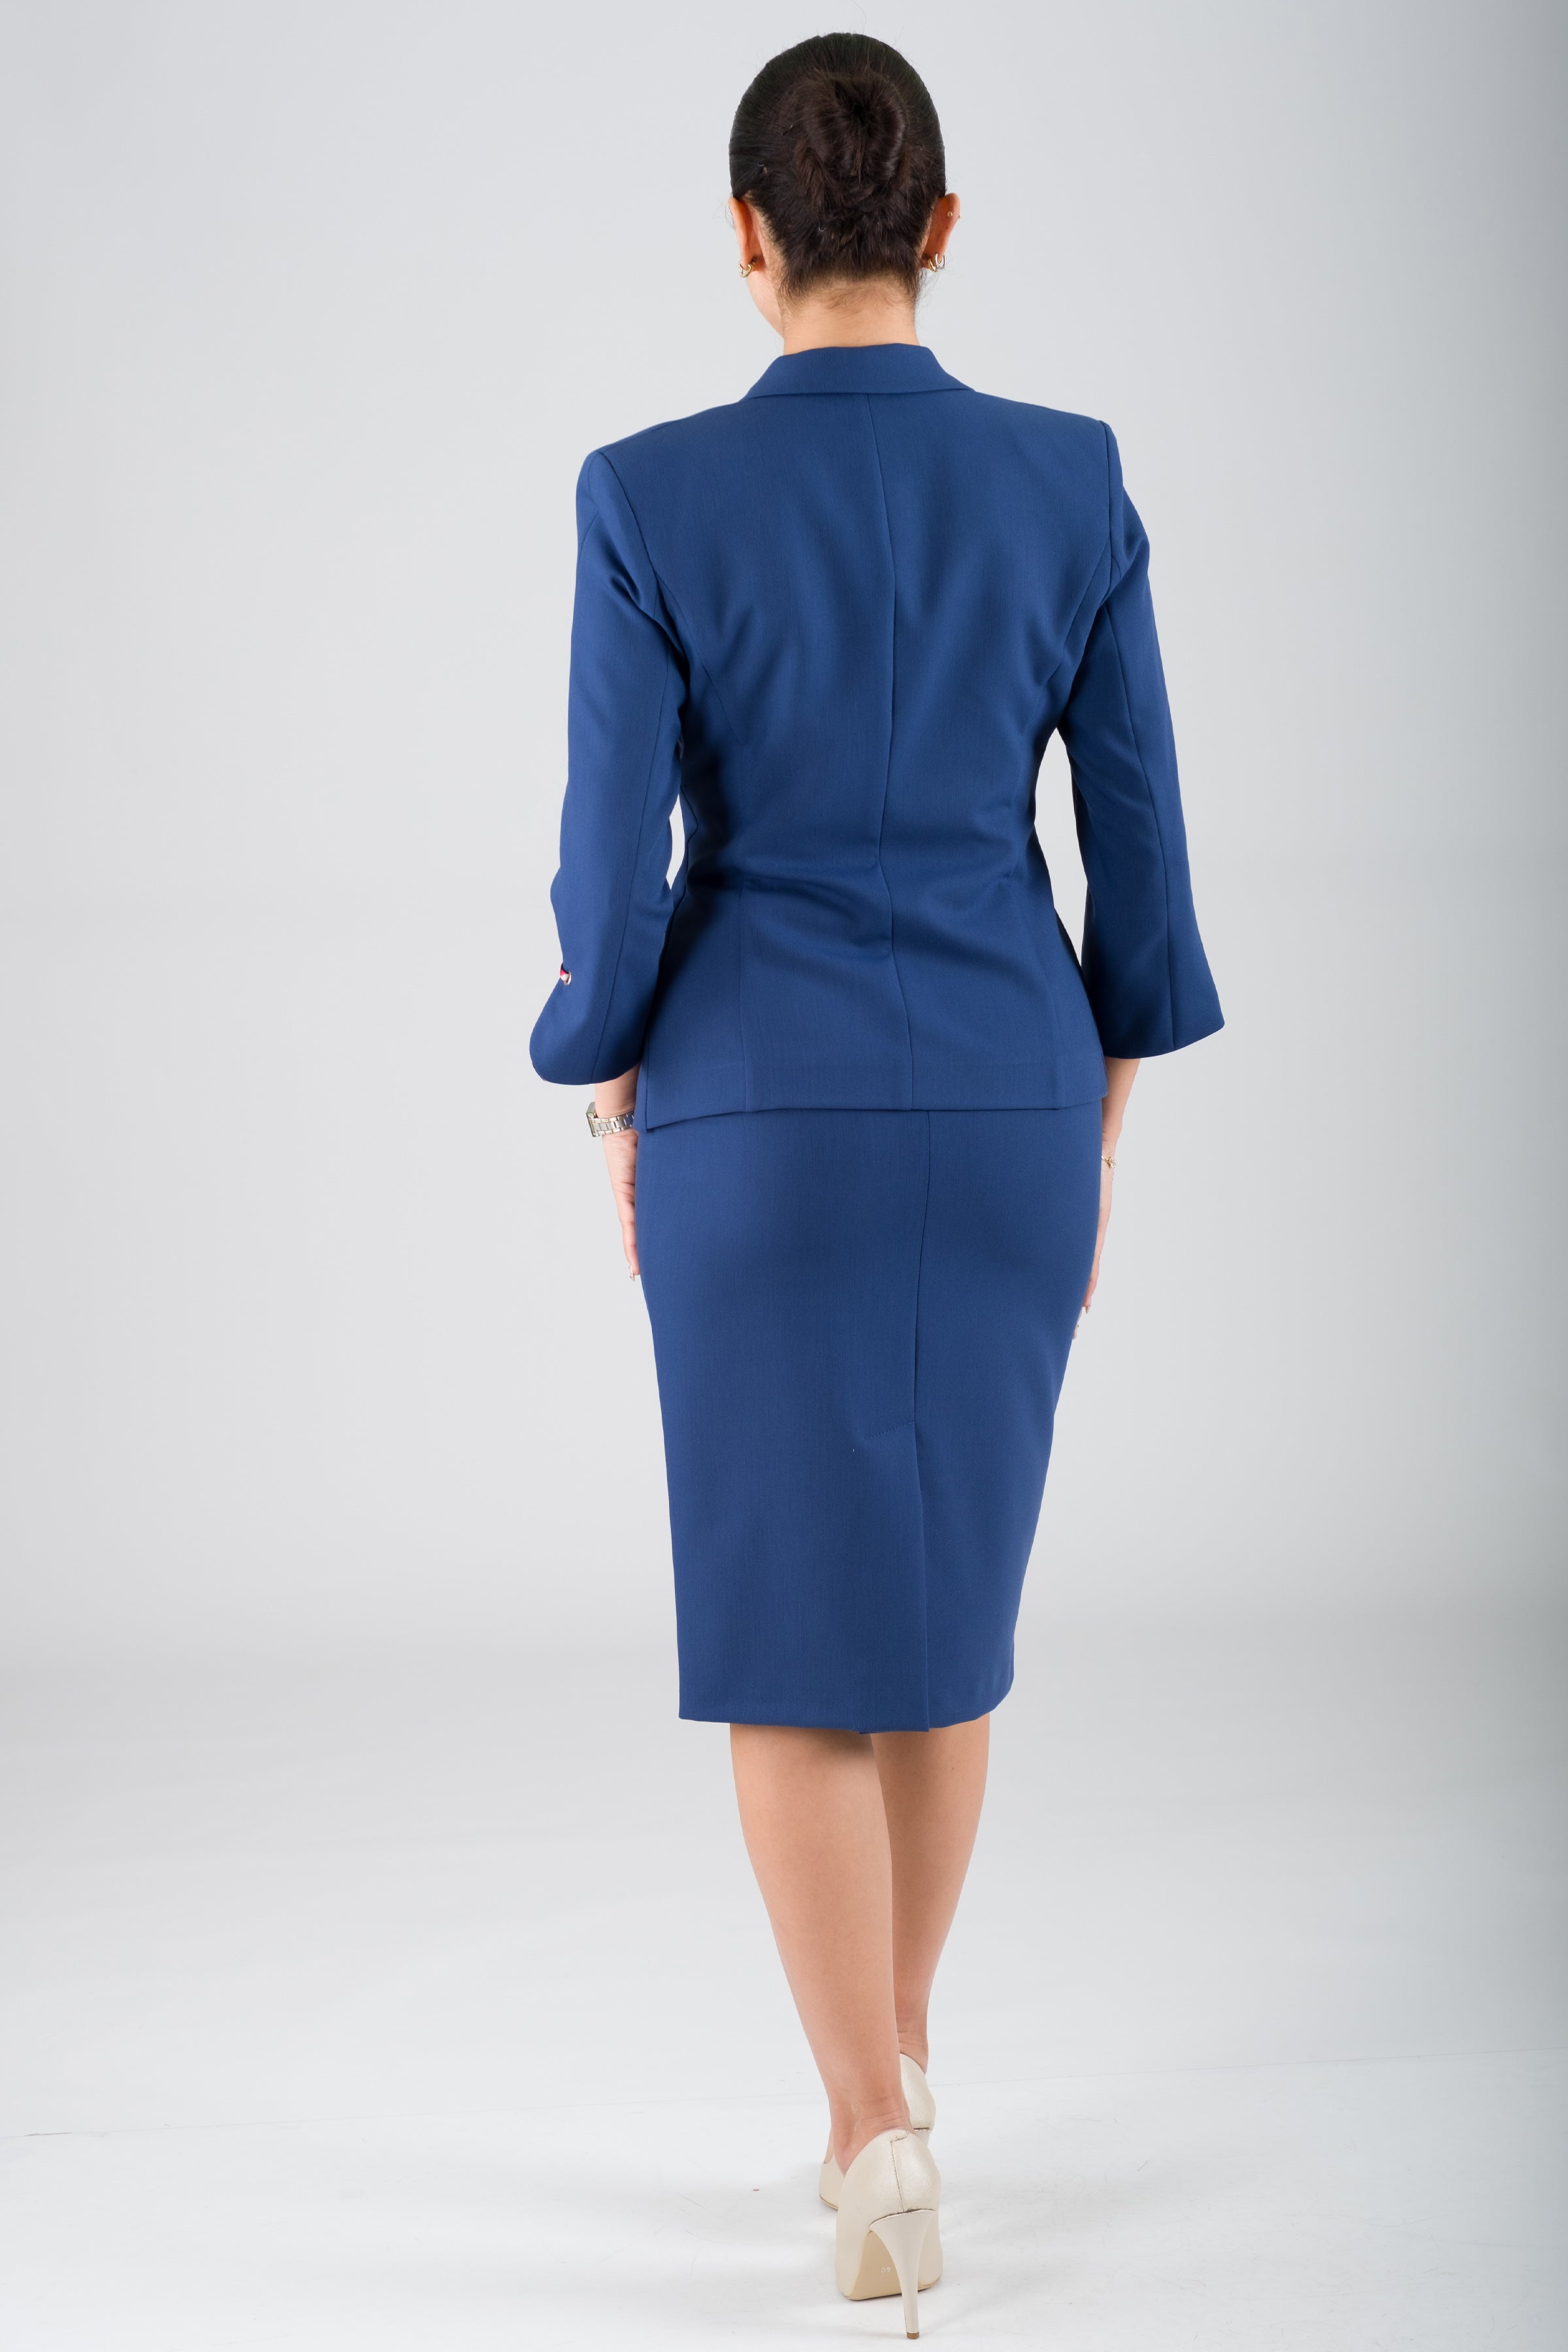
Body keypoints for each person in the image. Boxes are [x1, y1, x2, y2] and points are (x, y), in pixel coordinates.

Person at [531, 31, 1221, 2334]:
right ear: (939, 227)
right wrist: (1094, 1107)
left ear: (747, 236)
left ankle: (868, 2125)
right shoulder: (1072, 478)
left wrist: (603, 1084)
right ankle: (898, 2079)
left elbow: (611, 887)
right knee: (938, 1628)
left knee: (794, 1649)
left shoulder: (648, 494)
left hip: (756, 1104)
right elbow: (1141, 858)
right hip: (1009, 1094)